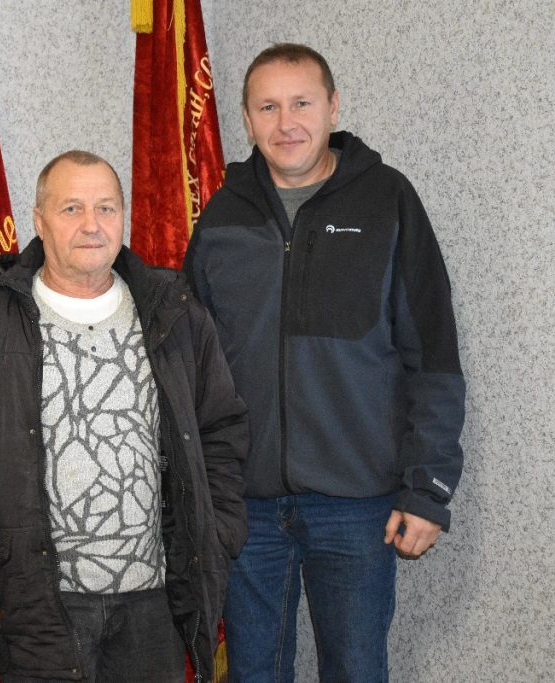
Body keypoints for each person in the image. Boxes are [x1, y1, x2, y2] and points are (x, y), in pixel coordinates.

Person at [183, 43, 466, 681]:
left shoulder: (387, 200)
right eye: (268, 107)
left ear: (333, 107)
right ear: (247, 119)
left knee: (356, 671)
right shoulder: (223, 214)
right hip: (247, 507)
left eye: (302, 103)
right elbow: (192, 362)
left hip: (357, 505)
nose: (286, 123)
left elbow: (434, 358)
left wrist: (428, 489)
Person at [0, 150, 249, 683]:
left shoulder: (176, 315)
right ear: (39, 219)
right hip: (36, 606)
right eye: (71, 208)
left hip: (155, 606)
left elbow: (221, 434)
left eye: (106, 208)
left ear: (124, 218)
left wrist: (218, 536)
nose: (92, 225)